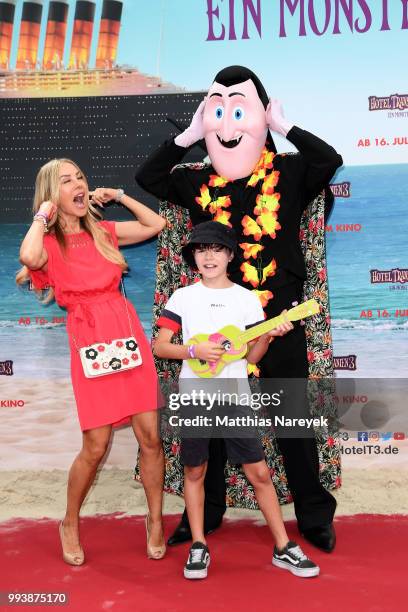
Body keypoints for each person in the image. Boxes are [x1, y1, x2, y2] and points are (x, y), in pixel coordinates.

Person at [135, 66, 343, 552]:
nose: (227, 128)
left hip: (277, 323)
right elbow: (147, 177)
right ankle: (203, 514)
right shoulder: (195, 183)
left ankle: (313, 516)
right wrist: (187, 136)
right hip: (213, 327)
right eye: (217, 111)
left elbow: (329, 158)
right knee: (208, 425)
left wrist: (283, 126)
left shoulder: (290, 173)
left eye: (238, 110)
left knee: (293, 421)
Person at [16, 158, 167, 565]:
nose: (79, 184)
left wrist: (119, 196)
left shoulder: (104, 233)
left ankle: (154, 520)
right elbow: (29, 257)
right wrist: (42, 216)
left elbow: (156, 225)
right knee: (96, 444)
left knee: (150, 437)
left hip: (126, 332)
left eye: (80, 177)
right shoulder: (47, 246)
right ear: (53, 194)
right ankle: (69, 522)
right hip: (90, 340)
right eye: (67, 181)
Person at [154, 220, 320, 579]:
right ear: (193, 257)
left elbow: (251, 358)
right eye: (201, 249)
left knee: (259, 472)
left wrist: (270, 335)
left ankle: (283, 546)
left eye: (216, 249)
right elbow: (160, 345)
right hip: (195, 397)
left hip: (235, 398)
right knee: (194, 469)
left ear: (230, 255)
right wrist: (193, 348)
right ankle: (198, 545)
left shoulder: (246, 299)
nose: (208, 256)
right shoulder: (183, 297)